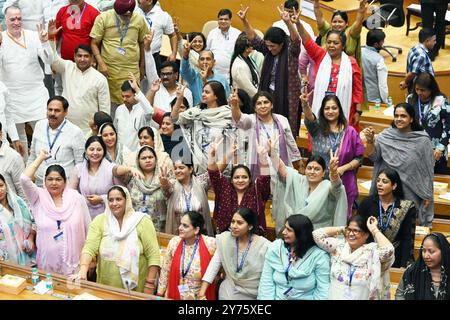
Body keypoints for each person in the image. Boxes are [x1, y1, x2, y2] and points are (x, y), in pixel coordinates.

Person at [363, 103, 435, 227]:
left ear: (411, 118)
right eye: (396, 116)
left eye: (403, 116)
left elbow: (428, 168)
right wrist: (370, 142)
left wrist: (427, 193)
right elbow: (373, 157)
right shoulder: (385, 136)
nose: (399, 119)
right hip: (388, 189)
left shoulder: (422, 140)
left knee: (405, 226)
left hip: (411, 190)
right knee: (384, 223)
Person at [21, 149, 91, 275]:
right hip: (47, 263)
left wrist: (90, 258)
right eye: (50, 179)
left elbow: (88, 227)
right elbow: (24, 179)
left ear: (65, 182)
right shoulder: (38, 198)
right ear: (44, 181)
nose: (54, 183)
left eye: (58, 179)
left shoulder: (76, 198)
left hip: (74, 263)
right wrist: (41, 158)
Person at [79, 185, 160, 294]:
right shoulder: (100, 221)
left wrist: (149, 285)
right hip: (106, 286)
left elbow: (153, 254)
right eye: (111, 200)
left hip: (136, 289)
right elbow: (89, 248)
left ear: (127, 200)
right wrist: (83, 271)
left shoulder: (141, 221)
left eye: (119, 199)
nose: (114, 203)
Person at [0, 6, 54, 161]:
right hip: (13, 97)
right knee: (20, 140)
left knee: (43, 134)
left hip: (36, 94)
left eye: (19, 18)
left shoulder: (33, 35)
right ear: (6, 21)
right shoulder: (1, 38)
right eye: (12, 19)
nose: (16, 22)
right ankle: (24, 174)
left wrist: (45, 43)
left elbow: (49, 61)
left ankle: (45, 171)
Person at [238, 5, 301, 134]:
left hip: (287, 95)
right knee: (264, 126)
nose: (270, 49)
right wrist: (244, 21)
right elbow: (253, 38)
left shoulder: (291, 50)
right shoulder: (267, 49)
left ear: (281, 44)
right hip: (268, 92)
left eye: (273, 46)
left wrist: (288, 22)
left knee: (285, 128)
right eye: (268, 46)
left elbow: (296, 40)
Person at [302, 92, 364, 220]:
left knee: (341, 218)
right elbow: (310, 118)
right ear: (322, 110)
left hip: (344, 181)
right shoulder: (317, 128)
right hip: (320, 182)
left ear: (339, 110)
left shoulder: (350, 131)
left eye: (334, 108)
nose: (330, 111)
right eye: (327, 108)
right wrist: (305, 104)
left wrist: (342, 169)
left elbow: (359, 157)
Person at [296, 17, 363, 131]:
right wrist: (298, 23)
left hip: (345, 108)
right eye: (329, 42)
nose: (331, 45)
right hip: (322, 108)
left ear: (342, 45)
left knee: (343, 144)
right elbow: (307, 41)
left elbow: (357, 89)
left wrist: (358, 111)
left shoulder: (351, 63)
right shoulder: (320, 56)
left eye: (336, 43)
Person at [313, 215, 395, 300]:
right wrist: (342, 229)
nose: (351, 234)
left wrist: (374, 229)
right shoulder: (339, 247)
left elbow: (388, 250)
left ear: (366, 235)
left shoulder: (371, 253)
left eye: (356, 231)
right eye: (349, 230)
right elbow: (316, 235)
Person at [90, 0, 148, 117]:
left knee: (133, 101)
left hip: (131, 70)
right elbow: (94, 43)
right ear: (117, 12)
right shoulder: (103, 18)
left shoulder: (139, 19)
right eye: (124, 15)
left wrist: (142, 67)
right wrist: (101, 64)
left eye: (130, 14)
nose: (128, 16)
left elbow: (142, 43)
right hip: (109, 70)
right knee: (108, 104)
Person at [200, 208, 271, 300]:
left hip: (252, 293)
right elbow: (214, 265)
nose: (234, 226)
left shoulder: (264, 246)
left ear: (250, 226)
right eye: (233, 222)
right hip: (227, 291)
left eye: (239, 223)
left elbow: (267, 277)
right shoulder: (225, 240)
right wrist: (202, 292)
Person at [271, 148, 347, 234]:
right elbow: (283, 171)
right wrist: (272, 154)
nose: (312, 172)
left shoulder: (328, 186)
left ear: (323, 173)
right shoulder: (299, 180)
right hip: (296, 232)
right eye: (309, 168)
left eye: (317, 169)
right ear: (305, 170)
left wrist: (333, 172)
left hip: (319, 235)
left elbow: (337, 187)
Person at [231, 90, 301, 180]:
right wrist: (235, 105)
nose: (263, 106)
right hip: (259, 166)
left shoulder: (282, 120)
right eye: (259, 103)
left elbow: (291, 142)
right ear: (255, 108)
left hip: (280, 164)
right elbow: (238, 118)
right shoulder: (251, 120)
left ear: (271, 105)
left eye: (266, 102)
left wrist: (297, 160)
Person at [258, 214, 330, 300]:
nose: (284, 232)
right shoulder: (276, 248)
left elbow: (323, 290)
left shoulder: (319, 256)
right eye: (285, 228)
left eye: (289, 230)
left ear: (301, 233)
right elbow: (266, 282)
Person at [49, 36, 111, 136]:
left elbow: (105, 110)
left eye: (86, 56)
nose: (82, 59)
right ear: (74, 56)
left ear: (92, 58)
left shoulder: (100, 78)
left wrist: (98, 133)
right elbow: (53, 60)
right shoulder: (67, 67)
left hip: (88, 132)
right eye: (79, 56)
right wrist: (51, 39)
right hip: (65, 128)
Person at [68, 135, 140, 219]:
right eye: (91, 149)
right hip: (83, 214)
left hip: (108, 215)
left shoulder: (110, 168)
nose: (95, 153)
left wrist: (102, 199)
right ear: (86, 151)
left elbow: (117, 171)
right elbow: (71, 194)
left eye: (99, 150)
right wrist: (83, 200)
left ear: (104, 151)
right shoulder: (79, 169)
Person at [208, 141, 270, 234]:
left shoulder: (256, 190)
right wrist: (211, 155)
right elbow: (214, 174)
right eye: (237, 177)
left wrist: (263, 158)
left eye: (244, 177)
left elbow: (265, 178)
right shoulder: (225, 188)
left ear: (250, 180)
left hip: (251, 238)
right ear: (231, 180)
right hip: (226, 236)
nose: (240, 180)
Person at [357, 168, 416, 268]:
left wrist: (403, 265)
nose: (379, 184)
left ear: (394, 186)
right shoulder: (367, 203)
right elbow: (359, 229)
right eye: (378, 180)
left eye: (384, 182)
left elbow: (407, 239)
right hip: (370, 256)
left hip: (395, 257)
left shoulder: (406, 207)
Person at [171, 81, 233, 174]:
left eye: (207, 92)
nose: (203, 94)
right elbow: (175, 118)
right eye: (203, 91)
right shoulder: (197, 112)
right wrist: (179, 99)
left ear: (216, 96)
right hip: (200, 167)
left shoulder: (228, 114)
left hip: (223, 167)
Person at [157, 211, 216, 299]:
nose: (180, 228)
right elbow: (165, 270)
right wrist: (160, 293)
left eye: (185, 226)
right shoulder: (174, 242)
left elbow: (218, 268)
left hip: (199, 296)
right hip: (174, 292)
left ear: (196, 230)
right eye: (180, 224)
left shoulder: (210, 244)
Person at [28, 96, 85, 186]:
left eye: (57, 110)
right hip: (39, 184)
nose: (52, 113)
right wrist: (29, 176)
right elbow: (32, 155)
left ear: (65, 112)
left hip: (64, 186)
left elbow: (80, 164)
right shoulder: (39, 125)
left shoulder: (75, 132)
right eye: (50, 110)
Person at [406, 72, 450, 174]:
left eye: (423, 90)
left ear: (431, 89)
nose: (419, 93)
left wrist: (441, 147)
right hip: (415, 148)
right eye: (417, 89)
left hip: (436, 150)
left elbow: (448, 125)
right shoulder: (410, 99)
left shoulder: (441, 100)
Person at [160, 157, 213, 236]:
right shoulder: (172, 185)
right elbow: (166, 188)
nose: (177, 171)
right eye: (175, 168)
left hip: (200, 234)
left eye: (181, 168)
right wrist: (164, 182)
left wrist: (228, 155)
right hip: (178, 235)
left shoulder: (200, 182)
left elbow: (214, 172)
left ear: (190, 169)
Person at [122, 145, 167, 232]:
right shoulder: (132, 177)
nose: (148, 160)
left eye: (150, 157)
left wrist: (165, 183)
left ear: (156, 159)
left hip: (158, 227)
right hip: (135, 227)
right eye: (143, 158)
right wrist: (130, 169)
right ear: (138, 161)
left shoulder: (162, 177)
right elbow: (114, 171)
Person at [395, 232, 450, 300]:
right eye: (423, 251)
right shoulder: (412, 272)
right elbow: (400, 295)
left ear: (443, 251)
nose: (426, 256)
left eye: (431, 251)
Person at [313, 0, 367, 67]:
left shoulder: (351, 33)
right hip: (327, 69)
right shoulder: (327, 31)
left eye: (340, 22)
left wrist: (361, 11)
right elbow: (319, 18)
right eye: (334, 22)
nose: (337, 24)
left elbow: (358, 22)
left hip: (348, 71)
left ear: (346, 23)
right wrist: (316, 4)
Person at [0, 173, 35, 265]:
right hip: (6, 261)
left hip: (28, 253)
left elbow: (32, 224)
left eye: (1, 185)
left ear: (6, 185)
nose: (0, 190)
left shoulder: (19, 203)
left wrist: (31, 239)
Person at [114, 73, 154, 151]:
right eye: (123, 96)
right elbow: (115, 131)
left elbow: (150, 111)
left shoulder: (143, 109)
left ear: (136, 95)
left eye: (127, 96)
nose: (124, 99)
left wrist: (136, 88)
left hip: (138, 155)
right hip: (120, 155)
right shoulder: (119, 109)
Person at [136, 0, 177, 73]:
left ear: (149, 1)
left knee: (154, 83)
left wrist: (174, 53)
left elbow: (173, 35)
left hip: (153, 57)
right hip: (135, 56)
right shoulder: (134, 12)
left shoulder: (163, 15)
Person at [206, 8, 241, 81]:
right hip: (212, 72)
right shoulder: (212, 33)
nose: (223, 21)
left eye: (226, 19)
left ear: (230, 21)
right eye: (221, 19)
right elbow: (207, 51)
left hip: (229, 74)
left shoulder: (237, 34)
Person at [400, 28, 436, 93]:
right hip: (422, 88)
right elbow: (412, 73)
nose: (435, 42)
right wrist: (405, 82)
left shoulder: (414, 48)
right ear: (427, 41)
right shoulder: (421, 55)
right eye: (434, 40)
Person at [230, 32, 260, 99]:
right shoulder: (240, 66)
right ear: (246, 48)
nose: (253, 45)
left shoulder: (248, 59)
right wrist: (259, 97)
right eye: (252, 44)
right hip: (245, 101)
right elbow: (248, 88)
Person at [361, 29, 388, 103]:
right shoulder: (379, 60)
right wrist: (385, 101)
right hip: (374, 100)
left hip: (358, 96)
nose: (383, 43)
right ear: (376, 44)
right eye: (382, 41)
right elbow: (382, 85)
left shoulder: (358, 52)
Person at [0, 122, 26, 200]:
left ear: (1, 134)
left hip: (10, 209)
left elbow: (22, 190)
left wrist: (25, 211)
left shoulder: (13, 157)